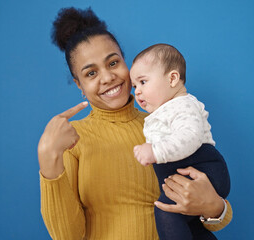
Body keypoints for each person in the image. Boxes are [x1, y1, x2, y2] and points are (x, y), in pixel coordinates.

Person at [38, 7, 233, 240]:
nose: (108, 77)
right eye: (91, 73)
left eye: (113, 63)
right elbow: (67, 236)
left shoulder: (163, 124)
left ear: (126, 63)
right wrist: (49, 160)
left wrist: (213, 207)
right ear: (79, 85)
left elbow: (214, 217)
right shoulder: (73, 139)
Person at [130, 44, 230, 240]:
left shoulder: (182, 105)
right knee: (191, 227)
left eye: (143, 82)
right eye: (134, 86)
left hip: (205, 168)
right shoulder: (164, 109)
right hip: (184, 173)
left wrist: (155, 151)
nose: (137, 92)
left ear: (173, 78)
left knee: (167, 211)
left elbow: (189, 137)